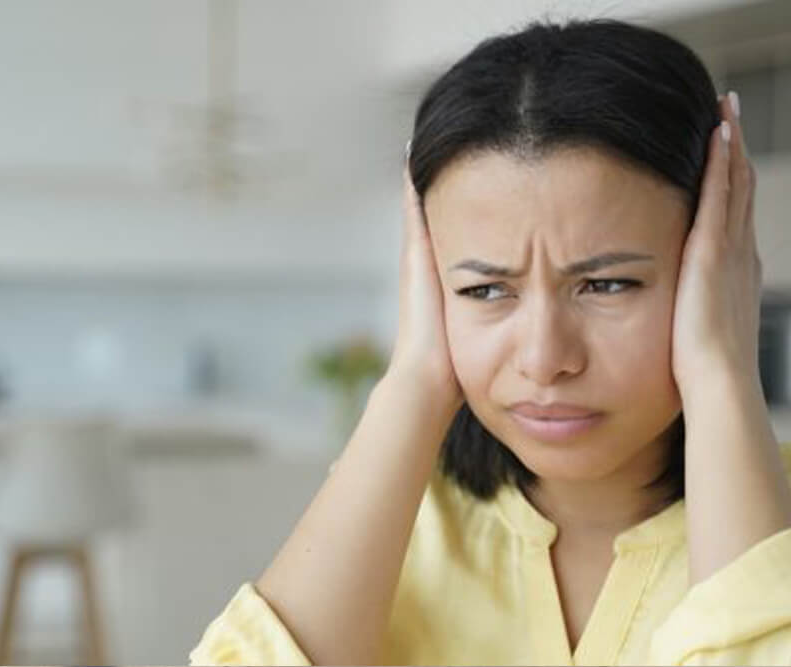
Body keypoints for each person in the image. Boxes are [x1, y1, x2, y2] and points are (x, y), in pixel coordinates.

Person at [189, 16, 791, 666]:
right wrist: (415, 377)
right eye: (484, 290)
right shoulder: (398, 513)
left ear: (719, 262)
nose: (543, 358)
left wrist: (721, 373)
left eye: (608, 284)